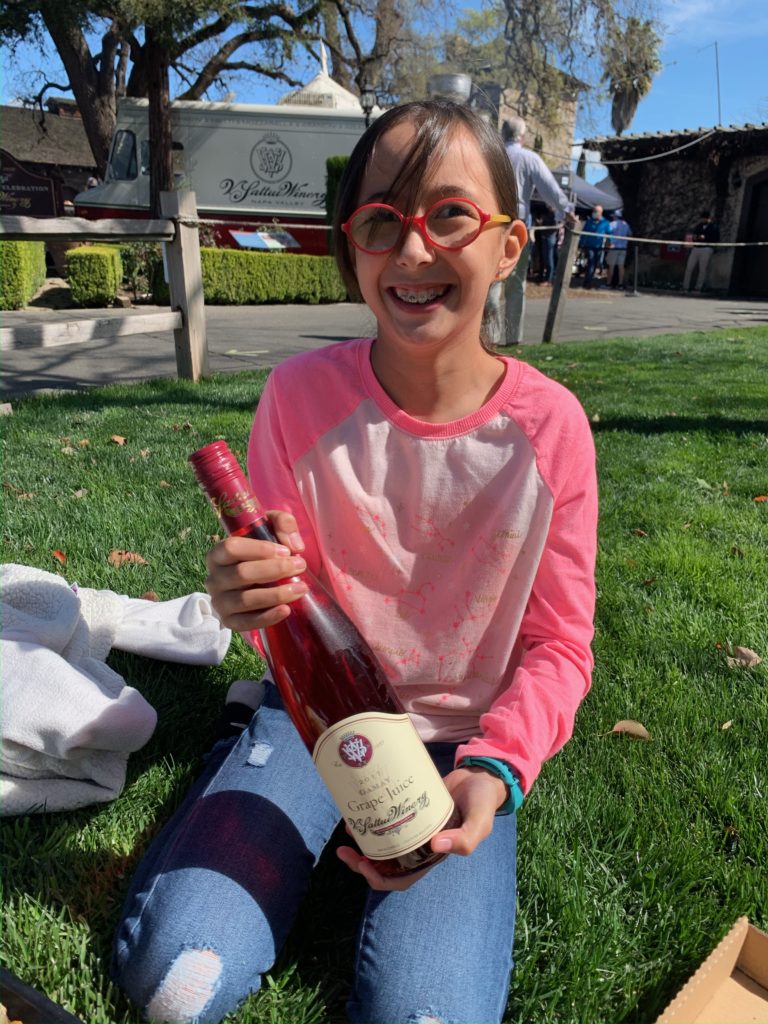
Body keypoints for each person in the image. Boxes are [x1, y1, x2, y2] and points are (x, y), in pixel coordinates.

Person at [112, 100, 598, 1024]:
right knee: (178, 983)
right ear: (353, 249)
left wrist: (494, 770)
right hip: (311, 727)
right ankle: (243, 760)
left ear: (508, 245)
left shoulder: (551, 431)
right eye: (382, 222)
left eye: (449, 215)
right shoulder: (298, 397)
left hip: (458, 746)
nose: (412, 252)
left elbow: (560, 646)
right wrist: (247, 598)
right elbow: (280, 602)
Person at [486, 115, 576, 344]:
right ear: (522, 137)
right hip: (517, 226)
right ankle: (514, 337)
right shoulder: (529, 158)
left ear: (502, 134)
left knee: (491, 283)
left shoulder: (491, 156)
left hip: (491, 225)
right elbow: (549, 188)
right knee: (517, 285)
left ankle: (490, 337)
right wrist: (566, 210)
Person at [683, 211, 720, 292]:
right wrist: (695, 238)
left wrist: (705, 238)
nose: (702, 220)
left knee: (702, 269)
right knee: (689, 267)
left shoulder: (714, 227)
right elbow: (694, 236)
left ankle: (698, 288)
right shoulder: (699, 226)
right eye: (702, 219)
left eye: (704, 218)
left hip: (706, 248)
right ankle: (685, 286)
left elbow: (716, 239)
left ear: (708, 218)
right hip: (696, 248)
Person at [579, 205, 610, 289]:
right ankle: (587, 282)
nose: (595, 213)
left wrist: (609, 243)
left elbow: (609, 234)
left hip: (599, 247)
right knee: (591, 263)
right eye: (594, 211)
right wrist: (582, 244)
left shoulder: (605, 223)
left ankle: (588, 281)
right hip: (589, 246)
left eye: (596, 211)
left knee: (594, 264)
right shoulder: (589, 221)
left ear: (601, 212)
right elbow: (584, 233)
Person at [605, 209, 632, 289]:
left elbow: (607, 234)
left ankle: (608, 283)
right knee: (621, 266)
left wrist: (608, 244)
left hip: (614, 247)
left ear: (614, 216)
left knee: (611, 266)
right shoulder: (625, 224)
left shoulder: (612, 224)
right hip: (623, 248)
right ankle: (620, 284)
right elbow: (630, 234)